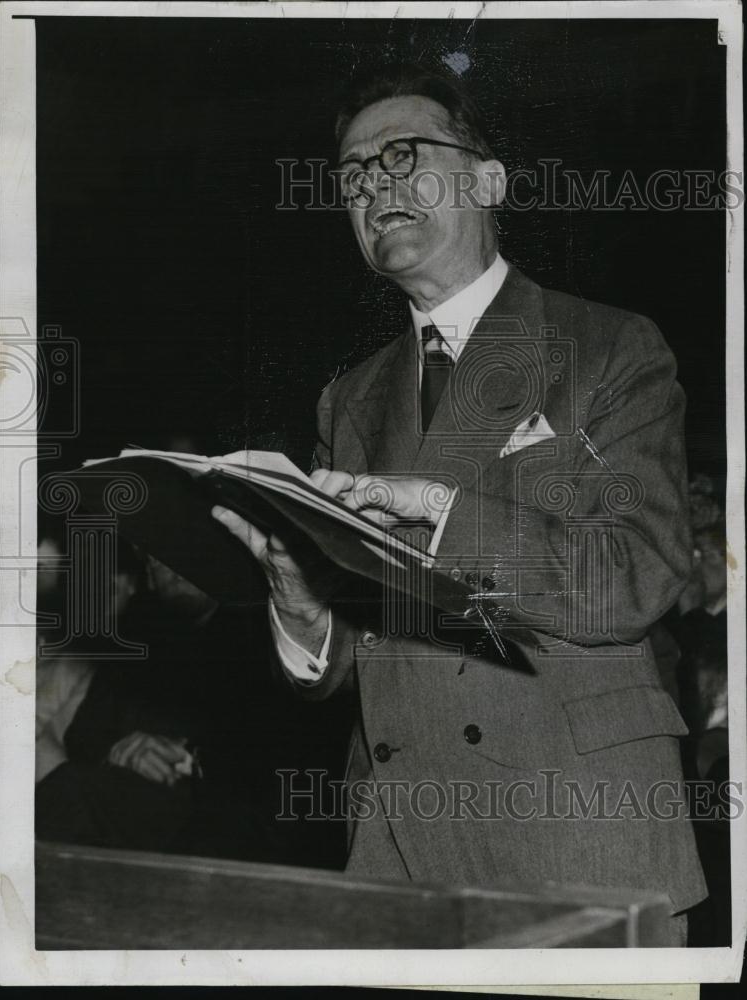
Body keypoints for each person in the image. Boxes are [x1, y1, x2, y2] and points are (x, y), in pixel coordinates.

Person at [212, 63, 707, 944]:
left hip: (576, 838)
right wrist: (299, 603)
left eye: (403, 154)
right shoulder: (349, 398)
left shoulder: (607, 345)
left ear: (487, 179)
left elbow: (635, 580)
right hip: (398, 855)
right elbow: (350, 664)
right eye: (355, 174)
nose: (376, 185)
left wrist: (442, 507)